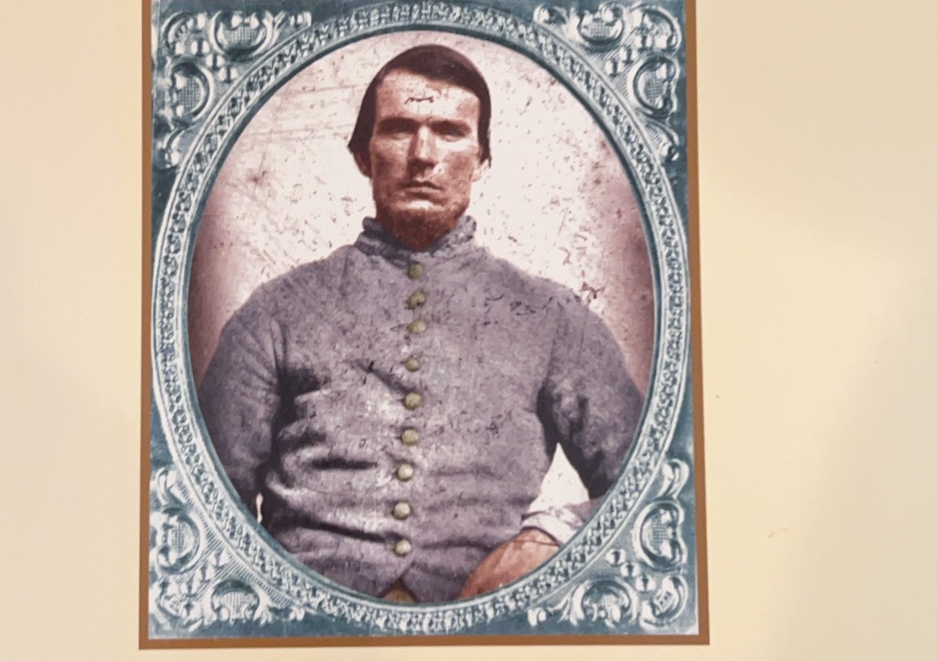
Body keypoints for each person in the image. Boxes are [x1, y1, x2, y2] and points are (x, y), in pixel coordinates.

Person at [195, 42, 643, 605]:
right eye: (398, 129)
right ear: (363, 155)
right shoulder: (275, 313)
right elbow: (201, 508)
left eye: (450, 132)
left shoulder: (553, 318)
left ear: (481, 159)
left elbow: (655, 490)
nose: (423, 155)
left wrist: (553, 537)